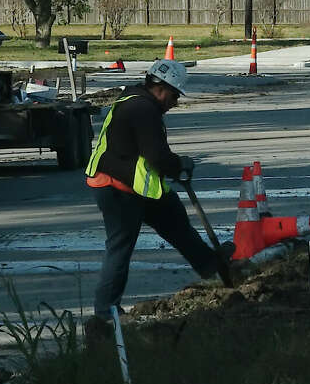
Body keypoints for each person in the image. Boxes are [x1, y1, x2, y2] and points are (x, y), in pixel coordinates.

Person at [84, 59, 234, 339]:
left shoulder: (138, 101)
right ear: (161, 88)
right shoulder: (141, 109)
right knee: (120, 247)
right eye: (175, 95)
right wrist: (179, 166)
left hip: (135, 185)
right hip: (115, 187)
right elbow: (156, 156)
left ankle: (207, 263)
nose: (175, 102)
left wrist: (175, 167)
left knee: (173, 215)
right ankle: (105, 312)